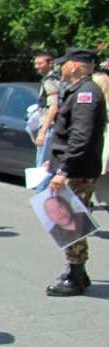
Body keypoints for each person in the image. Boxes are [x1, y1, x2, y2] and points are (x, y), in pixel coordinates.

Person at [43, 48, 107, 296]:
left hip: (78, 171)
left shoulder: (86, 94)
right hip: (72, 167)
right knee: (69, 220)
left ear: (77, 66)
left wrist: (64, 169)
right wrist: (54, 162)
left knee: (70, 222)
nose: (61, 67)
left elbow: (81, 137)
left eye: (65, 63)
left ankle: (76, 278)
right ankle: (77, 271)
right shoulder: (79, 91)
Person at [34, 51, 61, 166]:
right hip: (51, 126)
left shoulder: (50, 80)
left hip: (50, 126)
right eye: (35, 64)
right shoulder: (56, 78)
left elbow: (53, 107)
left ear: (50, 63)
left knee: (42, 165)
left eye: (40, 63)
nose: (36, 67)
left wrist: (43, 133)